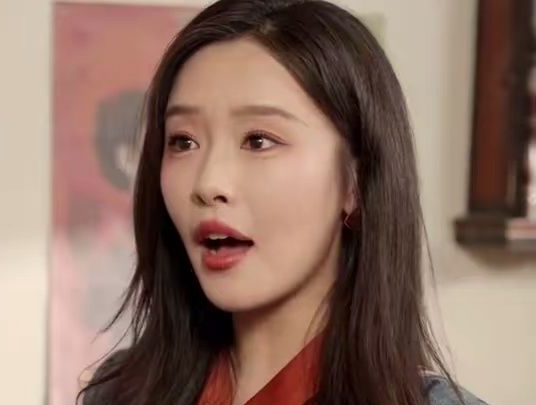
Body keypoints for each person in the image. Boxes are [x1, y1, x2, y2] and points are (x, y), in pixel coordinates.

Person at [79, 0, 487, 404]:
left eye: (258, 141)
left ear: (356, 183)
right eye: (183, 141)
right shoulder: (119, 392)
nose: (208, 183)